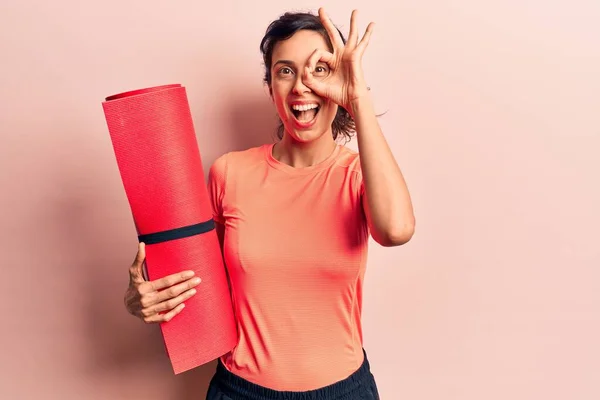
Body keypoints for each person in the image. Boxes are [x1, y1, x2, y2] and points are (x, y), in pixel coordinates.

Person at [124, 7, 415, 400]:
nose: (302, 85)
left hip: (344, 391)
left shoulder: (359, 176)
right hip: (240, 391)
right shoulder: (229, 173)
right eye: (286, 70)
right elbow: (186, 277)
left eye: (321, 69)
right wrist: (139, 297)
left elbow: (396, 230)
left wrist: (358, 99)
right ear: (271, 86)